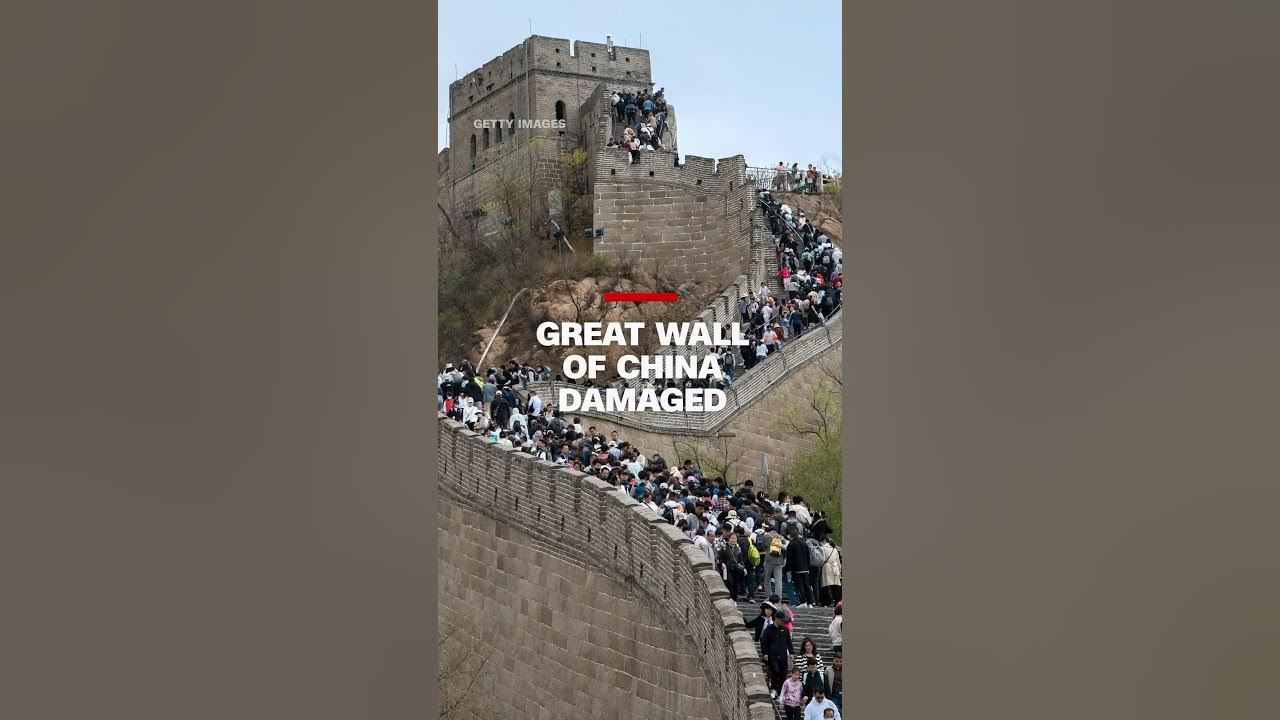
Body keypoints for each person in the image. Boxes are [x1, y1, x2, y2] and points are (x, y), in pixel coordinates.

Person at [785, 527, 817, 607]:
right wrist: (808, 567)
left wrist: (786, 569)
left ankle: (803, 601)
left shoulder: (791, 545)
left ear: (790, 535)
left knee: (800, 585)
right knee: (807, 585)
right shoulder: (804, 543)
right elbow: (808, 556)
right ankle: (811, 602)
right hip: (805, 568)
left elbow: (789, 559)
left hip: (796, 569)